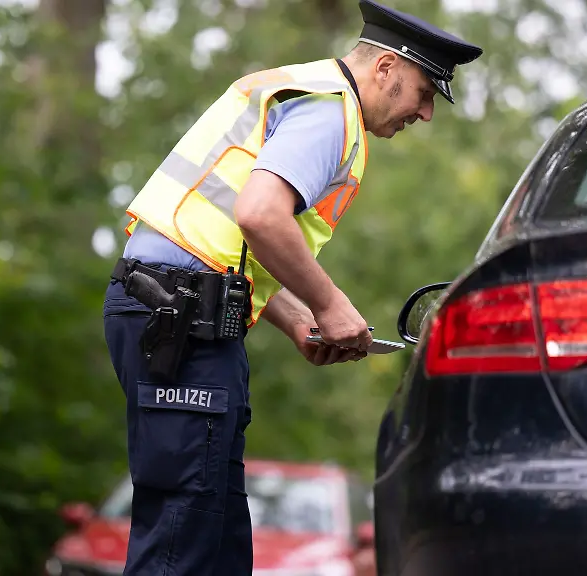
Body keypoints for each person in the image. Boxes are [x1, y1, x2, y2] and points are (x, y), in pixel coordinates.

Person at [102, 1, 483, 574]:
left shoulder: (308, 94)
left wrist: (296, 318)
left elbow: (222, 244)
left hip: (183, 311)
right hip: (178, 318)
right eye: (425, 92)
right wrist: (329, 304)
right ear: (384, 68)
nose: (426, 113)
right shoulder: (329, 111)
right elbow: (260, 214)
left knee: (218, 538)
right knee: (183, 539)